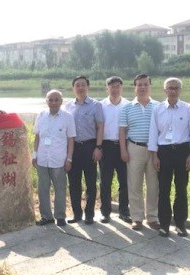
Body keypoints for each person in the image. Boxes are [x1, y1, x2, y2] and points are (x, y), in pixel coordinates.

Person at [148, 77, 190, 237]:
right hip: (164, 152)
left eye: (176, 88)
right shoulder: (158, 109)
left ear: (180, 90)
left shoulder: (188, 109)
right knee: (164, 189)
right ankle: (164, 224)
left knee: (181, 189)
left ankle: (180, 224)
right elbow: (153, 133)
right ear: (165, 90)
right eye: (170, 88)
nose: (173, 91)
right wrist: (154, 156)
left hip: (183, 151)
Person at [119, 74, 160, 230]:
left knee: (153, 185)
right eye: (139, 85)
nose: (142, 87)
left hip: (153, 150)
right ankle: (137, 218)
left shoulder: (158, 106)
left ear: (150, 86)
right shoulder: (127, 107)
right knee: (134, 184)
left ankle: (152, 217)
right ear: (134, 87)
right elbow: (122, 131)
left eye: (145, 84)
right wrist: (123, 150)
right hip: (134, 148)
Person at [32, 89, 76, 227]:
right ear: (46, 101)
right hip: (42, 159)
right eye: (50, 100)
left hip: (59, 160)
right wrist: (34, 155)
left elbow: (71, 140)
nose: (53, 102)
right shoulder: (41, 115)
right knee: (43, 189)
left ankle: (60, 216)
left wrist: (69, 159)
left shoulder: (67, 117)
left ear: (61, 101)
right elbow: (37, 136)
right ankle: (46, 217)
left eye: (56, 100)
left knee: (60, 189)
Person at [64, 75, 104, 224]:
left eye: (83, 85)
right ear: (73, 88)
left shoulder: (96, 105)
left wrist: (98, 147)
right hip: (73, 148)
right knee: (74, 183)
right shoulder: (68, 106)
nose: (80, 87)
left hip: (89, 147)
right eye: (77, 85)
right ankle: (77, 214)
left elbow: (100, 127)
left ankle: (89, 214)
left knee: (91, 183)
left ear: (88, 87)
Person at [99, 76, 129, 223]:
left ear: (121, 88)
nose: (115, 89)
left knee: (125, 181)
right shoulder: (100, 106)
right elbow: (97, 128)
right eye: (112, 86)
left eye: (118, 86)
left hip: (124, 146)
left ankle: (124, 211)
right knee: (105, 182)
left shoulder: (128, 105)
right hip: (106, 146)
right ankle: (105, 212)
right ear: (107, 88)